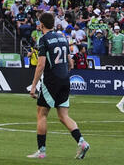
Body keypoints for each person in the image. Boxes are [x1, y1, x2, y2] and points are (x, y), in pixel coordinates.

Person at [28, 12, 89, 159]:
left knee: (42, 114)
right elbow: (70, 63)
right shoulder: (62, 37)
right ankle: (82, 142)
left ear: (42, 24)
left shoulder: (43, 39)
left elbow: (41, 64)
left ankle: (41, 151)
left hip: (51, 81)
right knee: (63, 116)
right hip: (65, 79)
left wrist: (34, 86)